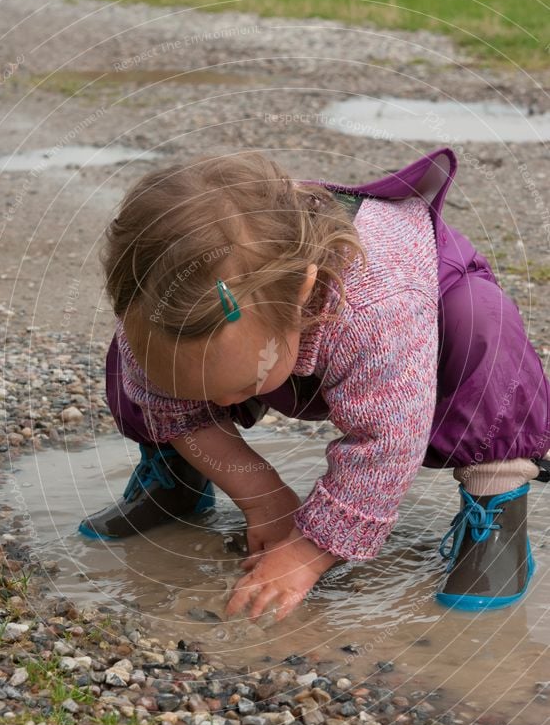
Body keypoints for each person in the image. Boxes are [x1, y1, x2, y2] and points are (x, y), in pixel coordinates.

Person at [79, 147, 550, 621]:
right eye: (201, 392)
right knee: (138, 366)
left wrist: (309, 550)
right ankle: (176, 479)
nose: (219, 404)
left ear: (303, 294)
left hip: (418, 329)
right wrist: (262, 497)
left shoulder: (380, 308)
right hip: (285, 342)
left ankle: (497, 507)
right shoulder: (157, 306)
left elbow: (387, 442)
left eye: (238, 386)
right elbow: (175, 395)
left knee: (483, 328)